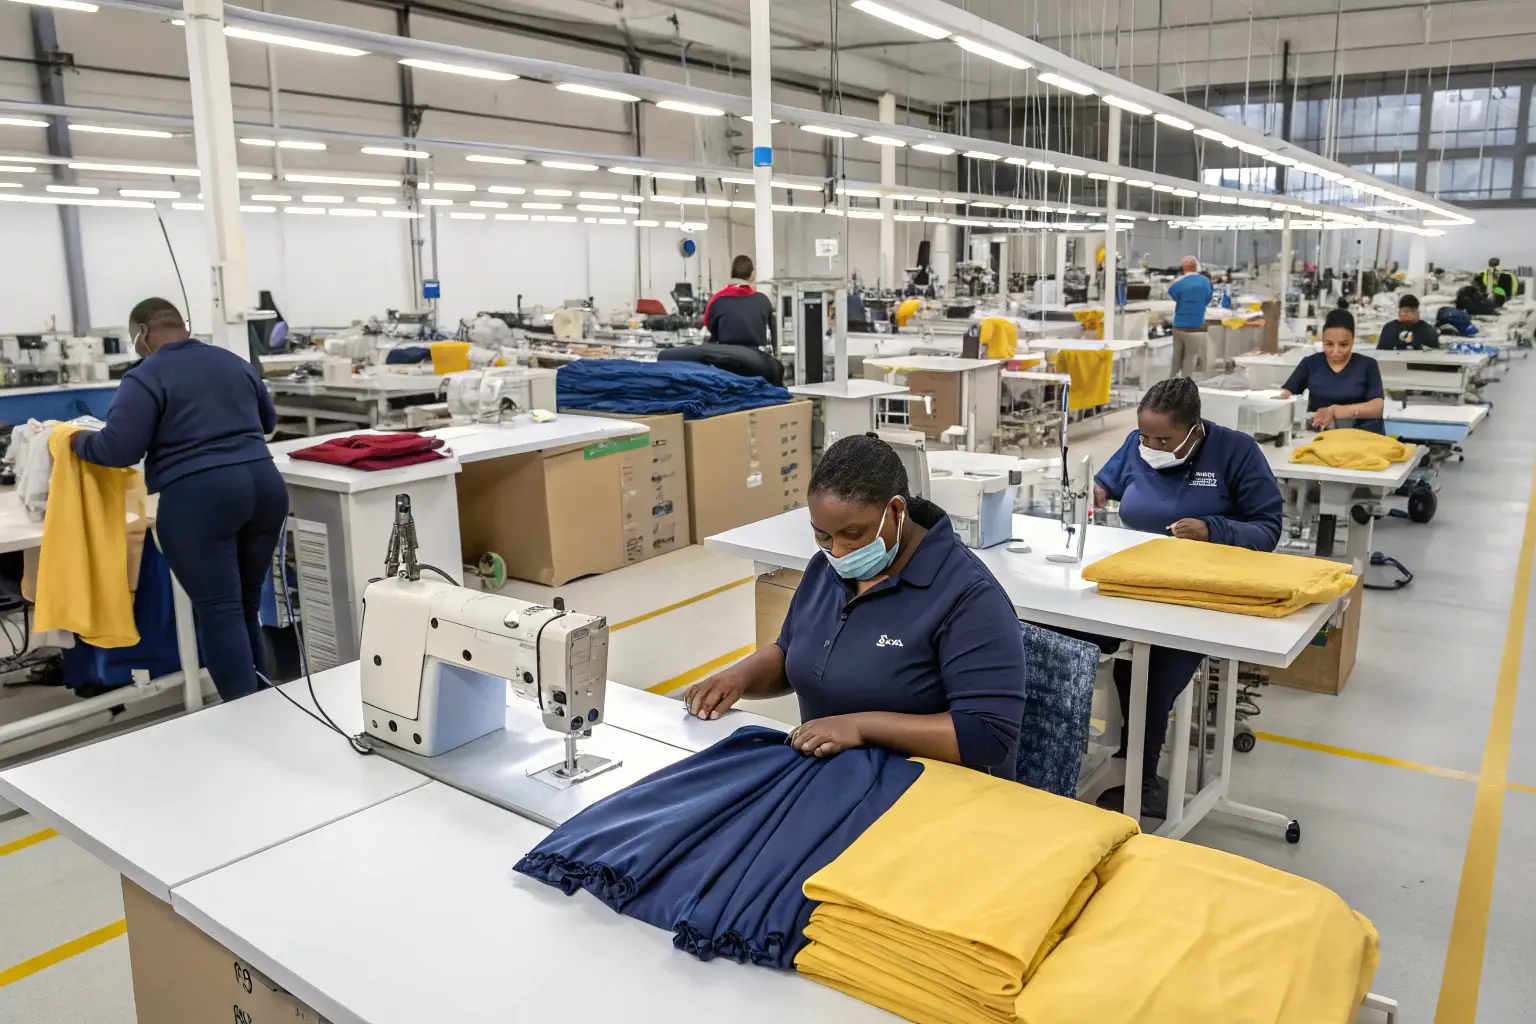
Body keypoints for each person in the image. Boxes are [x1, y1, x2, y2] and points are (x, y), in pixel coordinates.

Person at [682, 434, 1027, 778]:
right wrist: (738, 677)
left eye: (853, 533)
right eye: (823, 535)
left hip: (925, 796)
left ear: (895, 511)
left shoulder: (969, 597)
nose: (839, 552)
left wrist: (861, 728)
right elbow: (793, 652)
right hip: (834, 779)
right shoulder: (825, 569)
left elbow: (988, 735)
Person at [1075, 377, 1282, 817]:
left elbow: (1268, 528)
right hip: (1133, 580)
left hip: (1195, 593)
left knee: (1149, 674)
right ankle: (1076, 758)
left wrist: (1214, 530)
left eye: (1163, 439)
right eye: (1144, 435)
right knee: (1065, 640)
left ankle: (1142, 781)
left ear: (1194, 428)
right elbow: (1107, 483)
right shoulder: (1138, 443)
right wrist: (1094, 493)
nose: (1149, 445)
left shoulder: (1236, 451)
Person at [73, 298, 287, 703]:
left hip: (201, 498)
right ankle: (266, 708)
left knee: (219, 610)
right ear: (183, 325)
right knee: (243, 606)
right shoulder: (233, 361)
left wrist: (74, 441)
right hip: (264, 488)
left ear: (141, 334)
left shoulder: (145, 375)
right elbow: (268, 423)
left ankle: (248, 722)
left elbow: (117, 449)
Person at [1277, 307, 1385, 433]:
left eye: (1344, 345)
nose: (1335, 351)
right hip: (1321, 435)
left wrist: (1335, 411)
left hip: (1361, 435)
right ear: (1322, 341)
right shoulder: (1311, 363)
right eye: (1329, 344)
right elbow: (1286, 394)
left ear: (1353, 340)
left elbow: (1377, 408)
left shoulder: (1367, 365)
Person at [704, 255, 776, 349]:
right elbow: (774, 332)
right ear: (753, 273)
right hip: (756, 359)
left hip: (726, 357)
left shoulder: (717, 300)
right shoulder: (763, 300)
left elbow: (709, 333)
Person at [1166, 256, 1214, 377]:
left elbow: (1172, 293)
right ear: (1196, 267)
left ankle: (1170, 383)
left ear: (1183, 269)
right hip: (1195, 327)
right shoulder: (1204, 281)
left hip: (1178, 327)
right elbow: (1208, 299)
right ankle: (1184, 386)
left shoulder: (1180, 283)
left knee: (1176, 358)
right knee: (1190, 358)